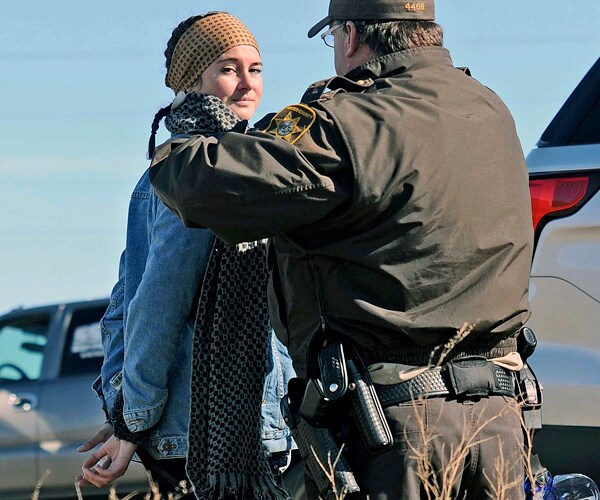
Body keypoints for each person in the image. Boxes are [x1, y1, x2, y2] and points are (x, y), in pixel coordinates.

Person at [149, 0, 534, 498]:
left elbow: (196, 184)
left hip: (397, 432)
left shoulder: (350, 121)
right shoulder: (488, 108)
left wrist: (183, 134)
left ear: (350, 35)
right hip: (503, 421)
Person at [76, 12, 294, 499]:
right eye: (228, 68)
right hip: (210, 435)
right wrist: (130, 419)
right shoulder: (200, 172)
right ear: (189, 80)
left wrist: (127, 417)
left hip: (245, 425)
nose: (246, 83)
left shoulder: (247, 163)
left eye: (254, 69)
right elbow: (150, 304)